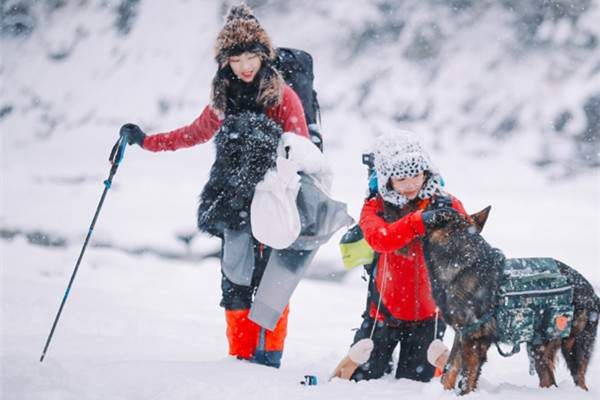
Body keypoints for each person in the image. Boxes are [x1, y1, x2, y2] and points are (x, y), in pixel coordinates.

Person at [118, 4, 312, 368]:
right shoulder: (224, 97)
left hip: (274, 202)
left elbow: (302, 149)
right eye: (236, 58)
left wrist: (280, 182)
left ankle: (269, 359)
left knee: (271, 285)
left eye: (251, 55)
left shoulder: (283, 97)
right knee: (236, 281)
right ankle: (240, 359)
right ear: (226, 62)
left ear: (263, 54)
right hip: (233, 201)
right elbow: (194, 133)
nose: (245, 65)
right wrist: (147, 141)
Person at [335, 131, 469, 382]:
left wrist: (453, 221)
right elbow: (381, 239)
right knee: (361, 381)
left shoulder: (443, 201)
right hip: (382, 315)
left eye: (416, 175)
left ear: (427, 172)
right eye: (401, 178)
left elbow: (468, 240)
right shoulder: (374, 206)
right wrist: (420, 221)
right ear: (387, 179)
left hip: (429, 316)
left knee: (414, 386)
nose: (410, 184)